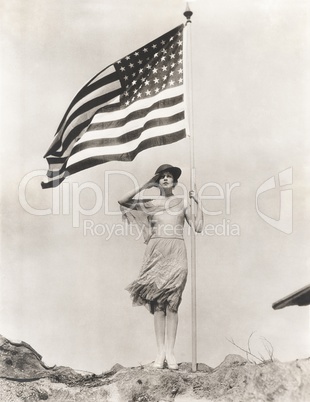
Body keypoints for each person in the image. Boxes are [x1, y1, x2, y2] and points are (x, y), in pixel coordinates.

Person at [118, 164, 203, 370]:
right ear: (158, 181)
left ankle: (171, 353)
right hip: (156, 252)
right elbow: (123, 201)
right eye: (162, 176)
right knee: (158, 305)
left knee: (173, 304)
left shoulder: (182, 203)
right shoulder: (151, 202)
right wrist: (146, 184)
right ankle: (160, 353)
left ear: (174, 182)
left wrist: (197, 203)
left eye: (169, 176)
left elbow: (198, 227)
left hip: (176, 250)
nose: (166, 179)